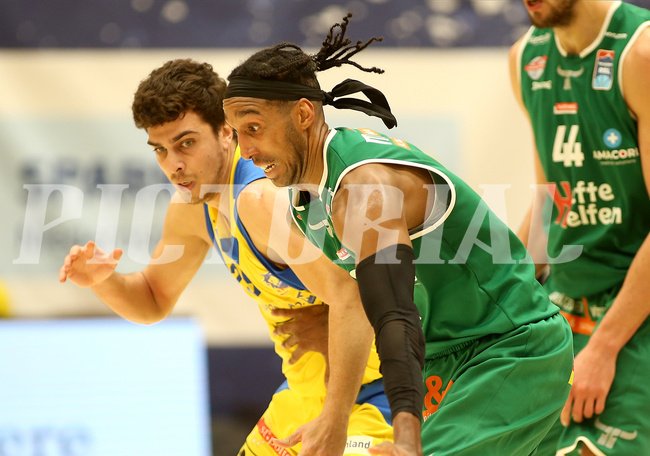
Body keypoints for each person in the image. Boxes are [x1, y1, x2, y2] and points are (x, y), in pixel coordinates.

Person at [222, 15, 575, 456]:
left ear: (304, 113)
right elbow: (356, 307)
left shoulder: (362, 188)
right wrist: (334, 416)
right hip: (448, 365)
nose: (246, 150)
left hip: (507, 349)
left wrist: (407, 440)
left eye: (253, 129)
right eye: (237, 134)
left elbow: (395, 316)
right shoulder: (308, 197)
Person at [59, 58, 394, 456]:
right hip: (305, 394)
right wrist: (104, 281)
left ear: (225, 131)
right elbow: (151, 300)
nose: (174, 165)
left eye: (186, 143)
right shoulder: (191, 207)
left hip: (374, 392)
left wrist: (335, 420)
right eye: (161, 150)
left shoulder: (257, 199)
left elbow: (352, 297)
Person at [509, 1, 650, 454]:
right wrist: (491, 294)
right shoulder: (524, 58)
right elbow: (551, 200)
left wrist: (605, 347)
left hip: (635, 308)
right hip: (567, 306)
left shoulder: (640, 54)